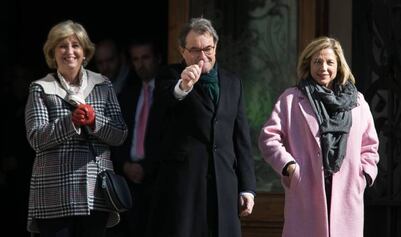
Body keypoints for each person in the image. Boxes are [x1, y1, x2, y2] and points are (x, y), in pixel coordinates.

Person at [144, 17, 256, 237]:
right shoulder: (169, 77)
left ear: (216, 46)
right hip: (185, 188)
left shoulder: (233, 82)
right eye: (194, 50)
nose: (202, 56)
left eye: (208, 48)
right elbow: (162, 107)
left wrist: (247, 188)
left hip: (224, 186)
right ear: (182, 51)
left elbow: (241, 139)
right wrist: (183, 86)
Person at [258, 36, 379, 237]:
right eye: (317, 61)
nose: (323, 67)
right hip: (306, 189)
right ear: (309, 64)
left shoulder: (358, 102)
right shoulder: (291, 99)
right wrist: (289, 167)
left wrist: (364, 175)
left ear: (339, 65)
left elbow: (370, 146)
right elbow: (268, 138)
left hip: (347, 189)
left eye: (329, 62)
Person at [24, 20, 128, 237]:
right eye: (62, 46)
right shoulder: (41, 88)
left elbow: (120, 134)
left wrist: (94, 121)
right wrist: (71, 123)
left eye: (75, 45)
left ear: (85, 52)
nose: (69, 51)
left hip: (95, 193)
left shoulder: (102, 85)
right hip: (54, 194)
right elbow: (36, 138)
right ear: (52, 52)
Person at [112, 39, 162, 236]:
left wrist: (147, 167)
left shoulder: (169, 93)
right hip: (129, 180)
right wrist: (124, 164)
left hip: (158, 179)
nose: (141, 64)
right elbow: (116, 135)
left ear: (158, 58)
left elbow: (169, 139)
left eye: (146, 57)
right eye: (136, 59)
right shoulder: (127, 95)